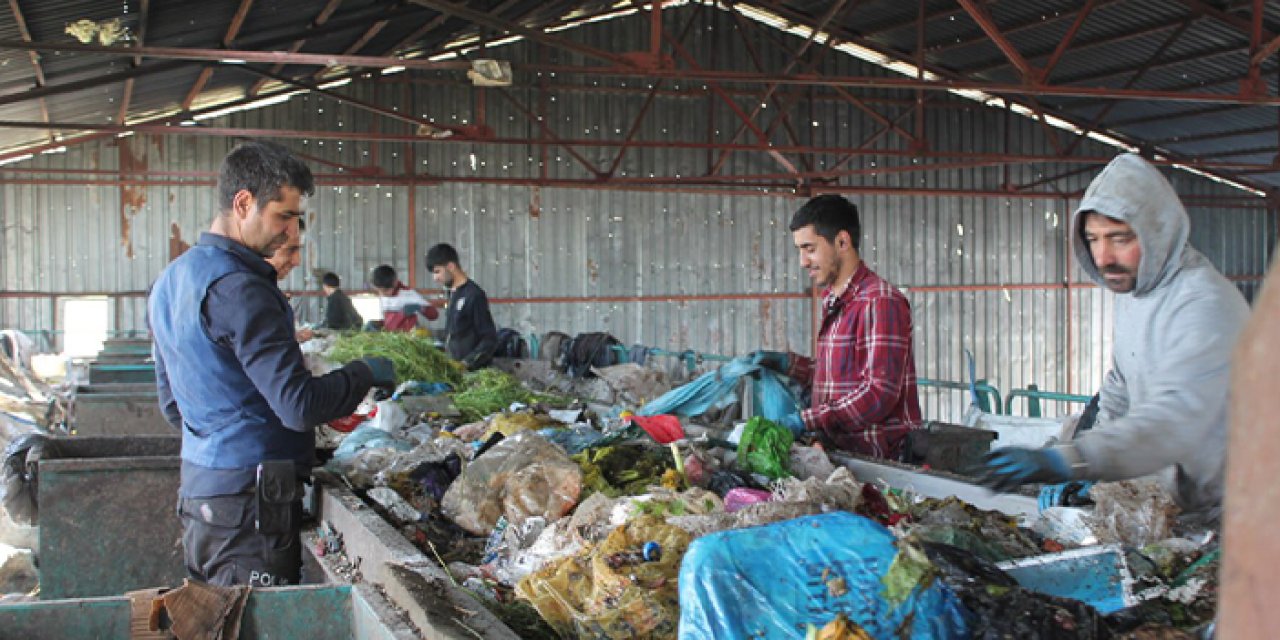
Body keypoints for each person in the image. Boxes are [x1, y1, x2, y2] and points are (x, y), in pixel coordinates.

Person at [148, 140, 396, 587]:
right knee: (252, 617)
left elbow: (172, 406)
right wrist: (365, 373)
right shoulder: (243, 288)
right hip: (250, 506)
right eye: (283, 215)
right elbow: (298, 406)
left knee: (215, 613)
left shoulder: (172, 280)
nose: (288, 231)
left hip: (202, 493)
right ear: (243, 203)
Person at [978, 153, 1249, 526]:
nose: (1104, 257)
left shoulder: (1203, 303)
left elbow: (1173, 421)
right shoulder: (1137, 293)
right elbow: (1119, 390)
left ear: (1157, 232)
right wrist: (1087, 465)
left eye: (1119, 239)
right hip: (1180, 508)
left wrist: (1073, 460)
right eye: (1093, 239)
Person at [750, 194, 922, 460]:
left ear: (842, 242)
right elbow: (839, 378)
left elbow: (878, 394)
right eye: (800, 250)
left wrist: (805, 420)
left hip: (878, 460)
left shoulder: (879, 301)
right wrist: (789, 365)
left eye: (809, 249)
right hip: (840, 454)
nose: (803, 261)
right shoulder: (833, 298)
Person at [426, 243, 498, 370]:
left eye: (437, 272)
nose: (435, 278)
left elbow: (489, 339)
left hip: (473, 373)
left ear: (451, 266)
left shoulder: (474, 295)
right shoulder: (452, 293)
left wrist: (466, 363)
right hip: (454, 370)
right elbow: (454, 334)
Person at [369, 264, 437, 332]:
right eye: (378, 290)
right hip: (390, 335)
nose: (382, 294)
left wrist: (420, 308)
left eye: (385, 291)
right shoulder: (384, 295)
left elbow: (434, 315)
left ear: (395, 283)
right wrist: (377, 324)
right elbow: (389, 322)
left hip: (407, 336)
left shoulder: (408, 294)